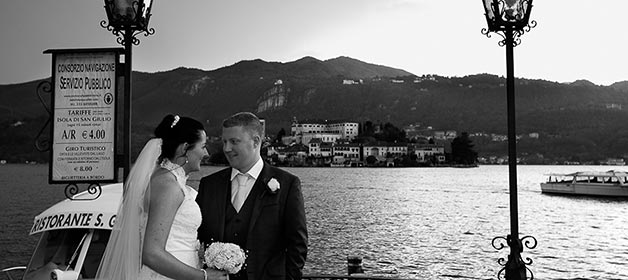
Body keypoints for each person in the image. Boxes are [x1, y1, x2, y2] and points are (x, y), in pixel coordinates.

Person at [95, 114, 228, 280]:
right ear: (185, 148)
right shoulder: (168, 185)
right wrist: (204, 276)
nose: (206, 153)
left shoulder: (165, 179)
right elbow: (151, 253)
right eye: (202, 146)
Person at [196, 112, 308, 280]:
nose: (226, 148)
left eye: (234, 142)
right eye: (224, 141)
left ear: (256, 142)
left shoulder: (287, 184)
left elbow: (297, 245)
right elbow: (196, 235)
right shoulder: (209, 184)